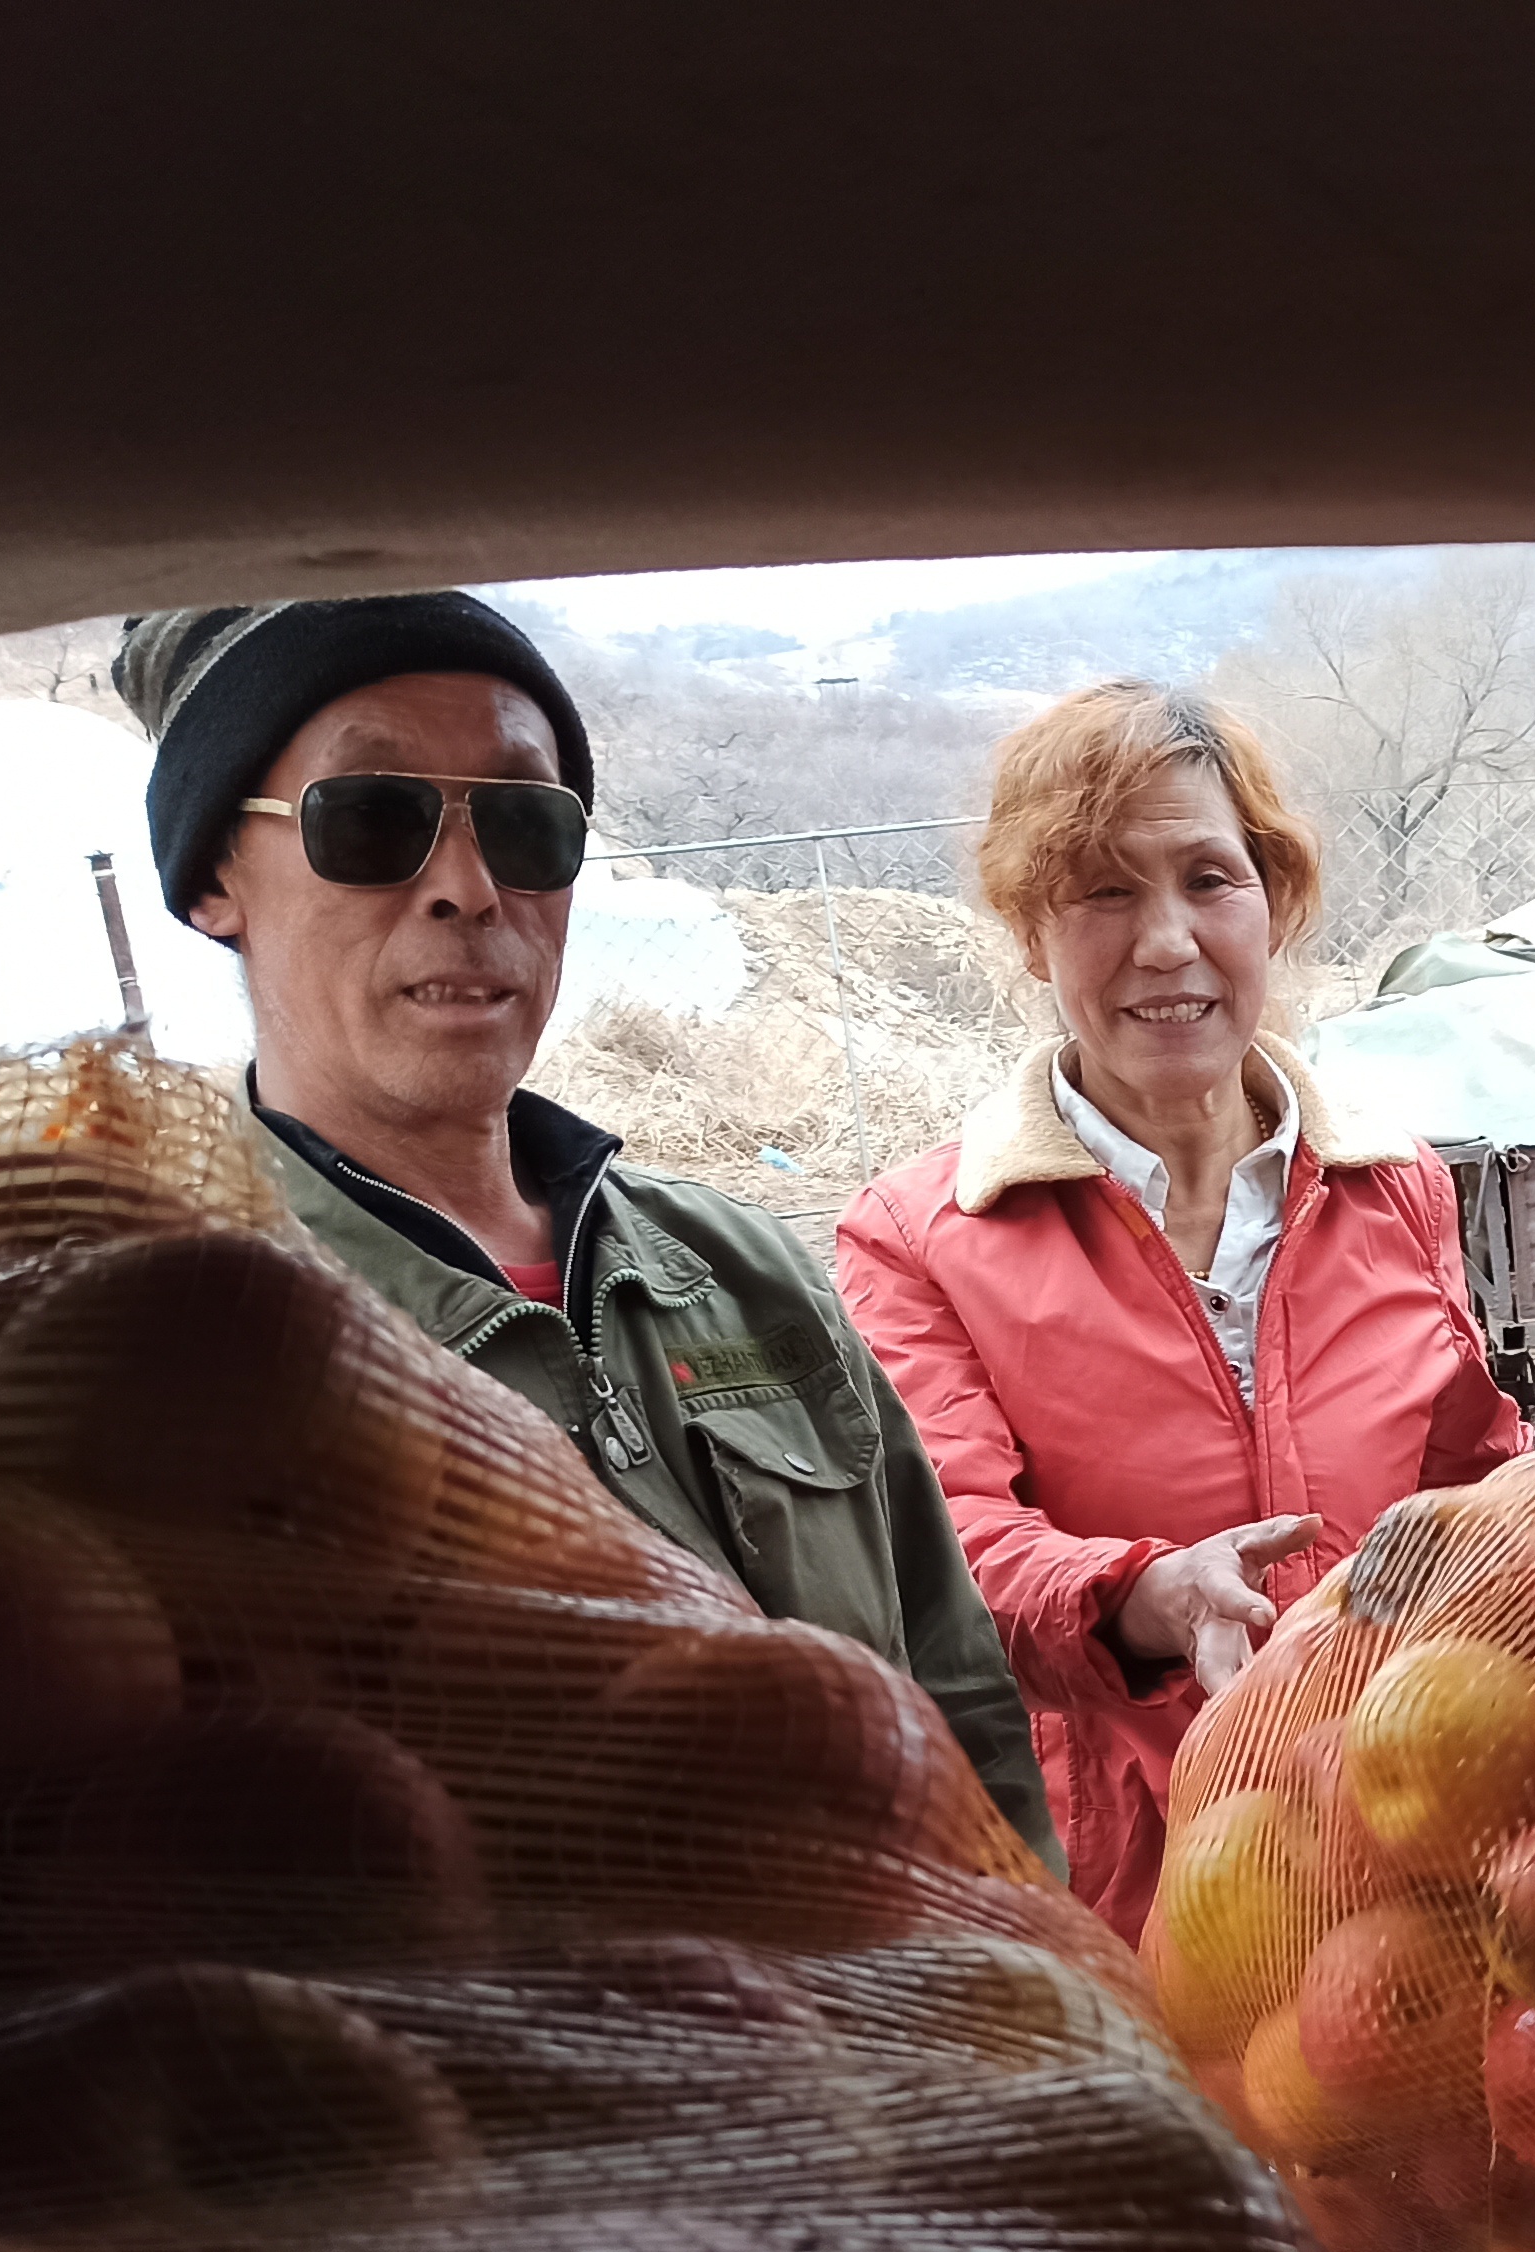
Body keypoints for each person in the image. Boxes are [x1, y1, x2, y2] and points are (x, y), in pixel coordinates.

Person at [115, 593, 1056, 1867]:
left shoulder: (747, 1277)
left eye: (522, 822)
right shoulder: (174, 1360)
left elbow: (960, 1700)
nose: (466, 886)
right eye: (373, 817)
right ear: (215, 877)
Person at [835, 679, 1530, 2252]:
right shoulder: (922, 1236)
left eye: (1207, 881)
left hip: (1390, 1924)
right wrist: (1134, 1595)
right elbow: (947, 1548)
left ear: (1274, 901)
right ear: (1027, 928)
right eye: (1099, 890)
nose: (1163, 941)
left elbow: (1470, 1468)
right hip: (1127, 1937)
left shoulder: (1393, 1187)